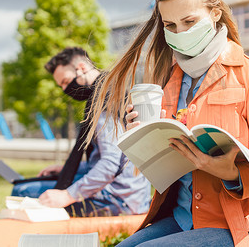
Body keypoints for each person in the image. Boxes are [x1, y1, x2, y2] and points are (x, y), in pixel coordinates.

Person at [86, 0, 249, 246]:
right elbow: (167, 162)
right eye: (170, 25)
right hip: (182, 218)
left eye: (189, 21)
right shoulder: (168, 78)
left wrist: (230, 173)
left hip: (241, 228)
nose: (180, 32)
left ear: (215, 13)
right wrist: (143, 138)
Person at [12, 47, 151, 217]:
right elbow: (115, 157)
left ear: (82, 68)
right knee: (47, 181)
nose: (65, 89)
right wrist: (66, 168)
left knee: (21, 191)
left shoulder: (103, 102)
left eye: (65, 81)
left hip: (118, 200)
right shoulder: (111, 89)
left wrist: (68, 195)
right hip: (131, 193)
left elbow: (110, 165)